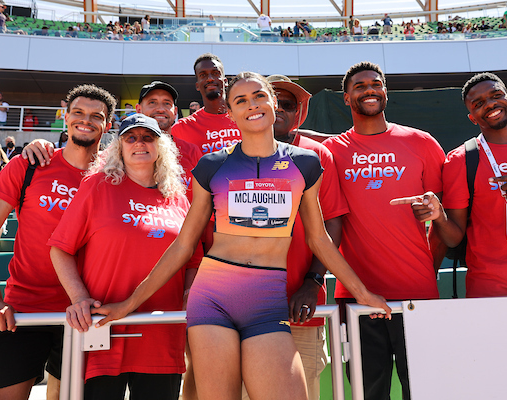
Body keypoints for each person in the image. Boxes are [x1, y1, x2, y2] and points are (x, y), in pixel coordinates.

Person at [85, 71, 391, 400]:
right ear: (230, 113)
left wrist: (362, 292)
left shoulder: (305, 164)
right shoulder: (212, 166)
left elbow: (320, 240)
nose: (252, 105)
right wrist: (130, 303)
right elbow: (184, 245)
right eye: (241, 100)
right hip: (213, 298)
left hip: (267, 301)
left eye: (259, 96)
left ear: (273, 102)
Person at [48, 114, 201, 400]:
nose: (139, 143)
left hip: (161, 332)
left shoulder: (178, 197)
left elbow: (192, 259)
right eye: (131, 137)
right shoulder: (97, 186)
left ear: (161, 145)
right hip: (103, 328)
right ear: (119, 147)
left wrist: (191, 291)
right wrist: (79, 297)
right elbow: (60, 248)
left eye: (148, 137)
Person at [0, 84, 116, 400]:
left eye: (97, 116)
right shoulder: (29, 164)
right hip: (22, 309)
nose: (86, 121)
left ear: (108, 125)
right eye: (78, 112)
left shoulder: (114, 174)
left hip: (88, 314)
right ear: (65, 116)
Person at [395, 72, 507, 299]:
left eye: (496, 95)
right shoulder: (461, 159)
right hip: (492, 294)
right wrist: (439, 216)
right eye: (479, 103)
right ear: (472, 117)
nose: (490, 104)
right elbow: (453, 237)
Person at [322, 61, 445, 400]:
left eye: (375, 83)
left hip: (416, 295)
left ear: (385, 91)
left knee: (422, 389)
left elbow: (444, 215)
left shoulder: (421, 143)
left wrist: (429, 253)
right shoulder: (331, 151)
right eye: (359, 87)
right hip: (358, 296)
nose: (369, 90)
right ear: (347, 98)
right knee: (368, 392)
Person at [262, 74, 349, 400]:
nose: (280, 109)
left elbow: (333, 224)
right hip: (244, 310)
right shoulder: (232, 157)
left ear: (299, 111)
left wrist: (314, 282)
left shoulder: (316, 155)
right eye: (274, 101)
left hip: (301, 310)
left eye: (289, 104)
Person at [171, 53, 240, 155]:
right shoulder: (181, 129)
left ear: (225, 81)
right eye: (203, 75)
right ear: (197, 85)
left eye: (215, 73)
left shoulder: (245, 117)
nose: (210, 78)